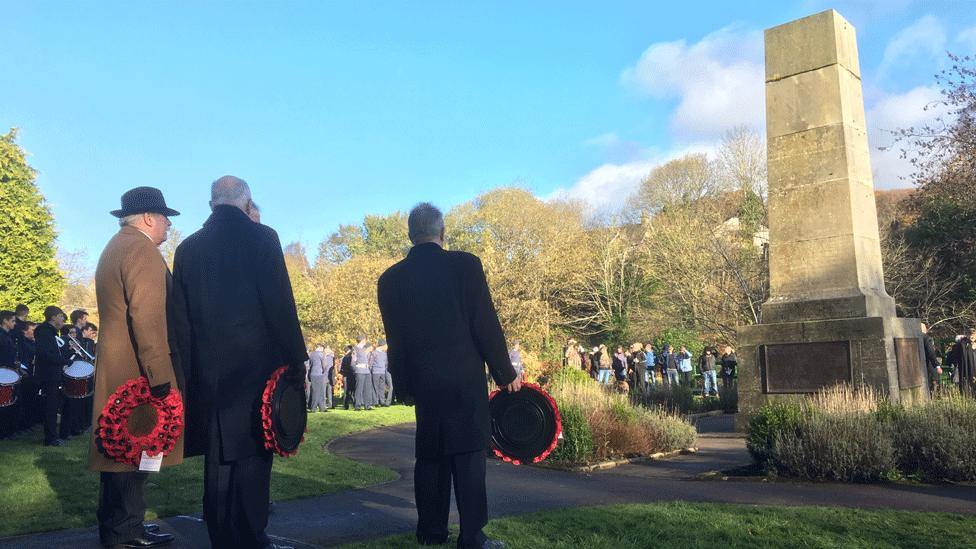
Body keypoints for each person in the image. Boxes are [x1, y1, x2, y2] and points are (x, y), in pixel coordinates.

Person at [174, 176, 307, 549]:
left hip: (209, 375)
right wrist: (298, 360)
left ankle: (221, 537)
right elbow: (281, 304)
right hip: (256, 374)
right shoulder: (263, 238)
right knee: (253, 459)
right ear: (246, 202)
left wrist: (187, 375)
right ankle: (252, 537)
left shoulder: (187, 250)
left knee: (217, 462)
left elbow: (181, 323)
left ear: (212, 203)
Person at [377, 202, 518, 549]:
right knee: (469, 457)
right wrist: (505, 372)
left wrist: (404, 386)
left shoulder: (391, 279)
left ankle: (430, 532)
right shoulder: (465, 266)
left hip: (425, 383)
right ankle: (472, 537)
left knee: (430, 457)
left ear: (410, 235)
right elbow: (484, 322)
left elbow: (396, 340)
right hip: (463, 379)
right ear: (442, 233)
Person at [88, 186, 184, 548]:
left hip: (120, 366)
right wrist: (160, 377)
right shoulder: (141, 250)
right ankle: (125, 533)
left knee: (121, 456)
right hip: (138, 372)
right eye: (165, 219)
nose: (168, 227)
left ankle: (124, 528)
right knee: (134, 451)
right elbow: (148, 317)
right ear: (148, 218)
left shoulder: (117, 246)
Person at [35, 306, 71, 446]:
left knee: (56, 403)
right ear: (54, 317)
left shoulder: (52, 332)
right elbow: (45, 354)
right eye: (61, 316)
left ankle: (58, 434)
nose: (63, 319)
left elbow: (56, 352)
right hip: (48, 374)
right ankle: (50, 438)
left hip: (55, 372)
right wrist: (64, 361)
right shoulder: (44, 331)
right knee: (51, 405)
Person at [949, 329, 976, 398]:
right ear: (967, 335)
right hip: (967, 367)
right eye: (970, 334)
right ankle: (969, 395)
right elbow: (954, 356)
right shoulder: (962, 344)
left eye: (973, 334)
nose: (971, 336)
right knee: (968, 381)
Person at [352, 336, 373, 411]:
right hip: (360, 371)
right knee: (359, 389)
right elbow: (353, 362)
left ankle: (367, 405)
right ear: (362, 340)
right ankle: (357, 406)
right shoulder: (355, 349)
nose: (366, 342)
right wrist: (356, 370)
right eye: (365, 340)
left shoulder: (364, 349)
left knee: (367, 389)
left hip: (367, 371)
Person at [920, 323, 943, 392]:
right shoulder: (926, 338)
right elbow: (931, 353)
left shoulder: (914, 337)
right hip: (929, 365)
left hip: (918, 366)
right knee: (932, 384)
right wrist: (937, 366)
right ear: (925, 329)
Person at [307, 345, 329, 412]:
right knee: (320, 391)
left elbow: (309, 364)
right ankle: (314, 408)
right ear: (321, 348)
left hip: (312, 374)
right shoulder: (322, 354)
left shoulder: (311, 354)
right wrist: (324, 371)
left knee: (315, 391)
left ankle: (321, 407)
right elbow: (324, 365)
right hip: (319, 374)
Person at [370, 339, 391, 406]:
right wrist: (371, 370)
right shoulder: (374, 353)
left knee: (381, 387)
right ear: (383, 345)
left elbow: (385, 363)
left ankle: (381, 401)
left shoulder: (384, 353)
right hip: (375, 372)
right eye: (385, 345)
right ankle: (375, 401)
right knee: (375, 387)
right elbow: (371, 363)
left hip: (383, 372)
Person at [340, 345, 355, 409]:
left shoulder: (345, 357)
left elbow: (342, 368)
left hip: (346, 375)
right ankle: (354, 403)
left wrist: (342, 373)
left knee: (347, 391)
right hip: (351, 375)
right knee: (351, 391)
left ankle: (346, 405)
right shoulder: (351, 357)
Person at [323, 344, 336, 409]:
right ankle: (330, 404)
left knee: (324, 391)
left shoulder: (324, 356)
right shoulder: (332, 356)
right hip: (330, 376)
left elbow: (324, 366)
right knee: (329, 391)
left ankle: (324, 404)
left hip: (325, 375)